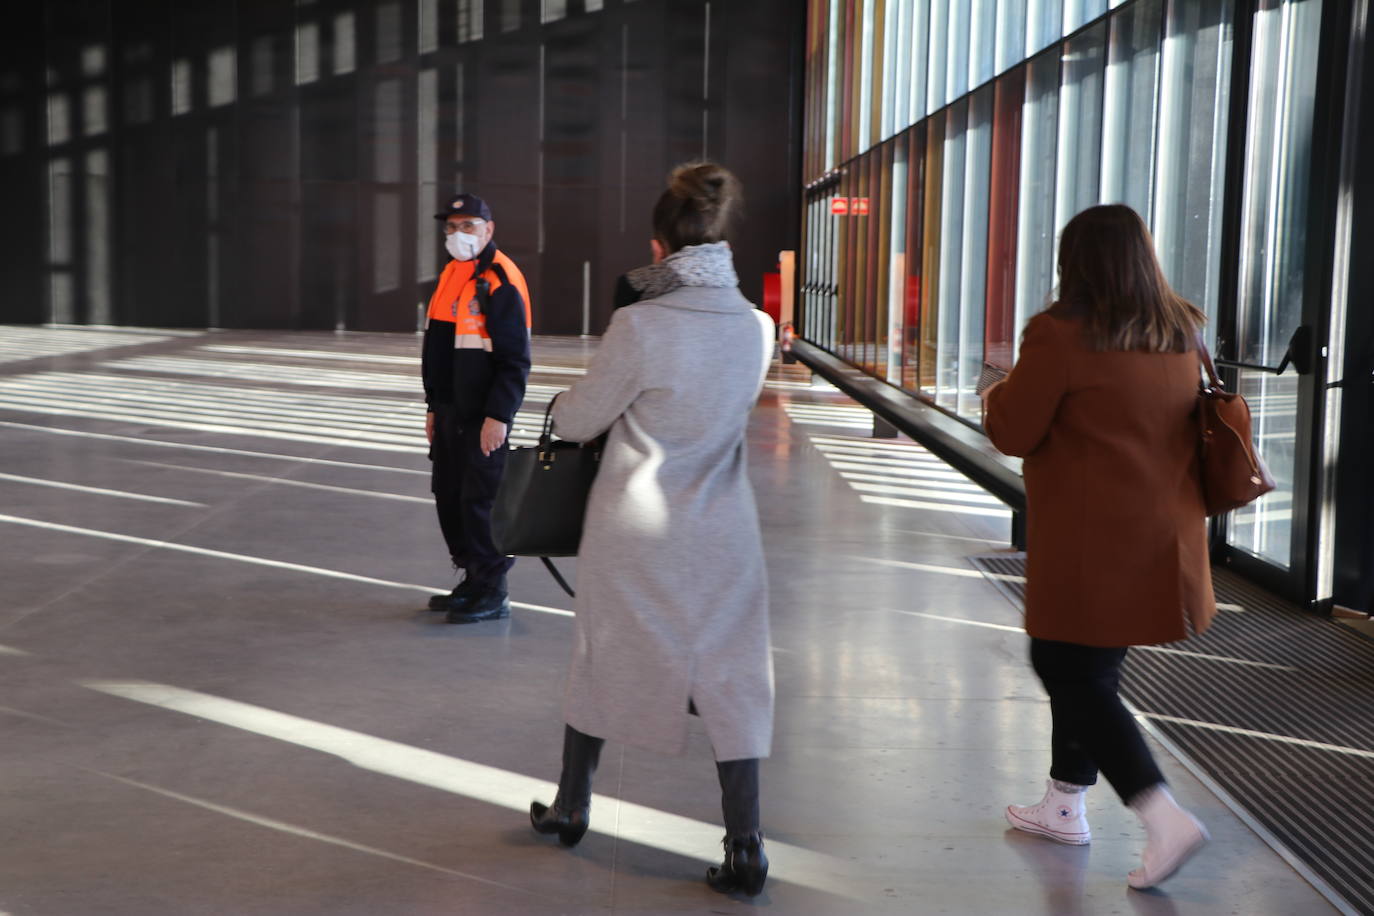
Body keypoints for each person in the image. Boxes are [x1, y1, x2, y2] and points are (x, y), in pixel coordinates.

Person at [527, 162, 777, 897]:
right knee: (731, 679)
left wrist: (557, 402)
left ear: (658, 248)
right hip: (726, 531)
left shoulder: (639, 325)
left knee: (605, 655)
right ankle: (747, 847)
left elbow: (579, 420)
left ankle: (573, 807)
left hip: (637, 531)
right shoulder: (756, 327)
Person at [982, 204, 1215, 890]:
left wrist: (995, 386)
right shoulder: (1179, 332)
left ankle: (1162, 814)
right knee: (1092, 670)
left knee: (1061, 662)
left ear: (1074, 262)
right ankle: (1063, 803)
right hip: (1160, 542)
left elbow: (1015, 430)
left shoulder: (1060, 335)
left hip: (1089, 543)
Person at [421, 193, 531, 624]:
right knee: (449, 496)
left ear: (489, 229)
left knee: (481, 501)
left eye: (468, 225)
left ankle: (493, 589)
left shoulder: (501, 279)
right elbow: (440, 350)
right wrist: (434, 405)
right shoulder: (452, 274)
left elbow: (515, 359)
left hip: (482, 414)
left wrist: (498, 416)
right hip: (450, 411)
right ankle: (472, 577)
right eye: (451, 227)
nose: (457, 234)